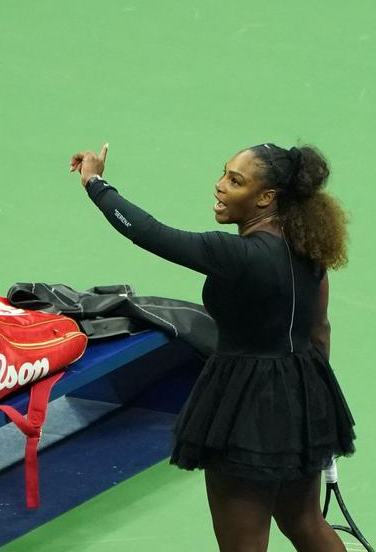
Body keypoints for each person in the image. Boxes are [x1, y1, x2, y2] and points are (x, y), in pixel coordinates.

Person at [69, 142, 355, 552]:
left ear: (266, 198)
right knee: (305, 521)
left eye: (235, 181)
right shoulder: (308, 247)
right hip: (304, 394)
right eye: (224, 173)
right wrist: (312, 415)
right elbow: (319, 330)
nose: (219, 186)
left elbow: (147, 232)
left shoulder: (236, 254)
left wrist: (96, 183)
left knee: (244, 545)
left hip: (245, 405)